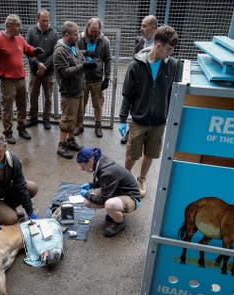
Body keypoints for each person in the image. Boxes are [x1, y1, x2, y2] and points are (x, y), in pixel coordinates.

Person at [119, 25, 182, 198]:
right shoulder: (136, 65)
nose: (170, 53)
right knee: (133, 153)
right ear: (158, 45)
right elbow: (127, 94)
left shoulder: (173, 66)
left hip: (159, 121)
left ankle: (142, 178)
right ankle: (125, 178)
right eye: (168, 49)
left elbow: (173, 93)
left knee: (151, 152)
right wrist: (123, 119)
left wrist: (169, 114)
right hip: (139, 119)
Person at [0, 14, 44, 145]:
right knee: (7, 107)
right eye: (17, 26)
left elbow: (27, 49)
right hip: (8, 80)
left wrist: (35, 51)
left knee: (22, 105)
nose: (20, 28)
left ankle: (21, 127)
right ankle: (8, 132)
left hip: (21, 78)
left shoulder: (19, 38)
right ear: (9, 26)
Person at [53, 21, 96, 159]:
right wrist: (83, 66)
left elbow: (77, 55)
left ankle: (71, 141)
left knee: (75, 118)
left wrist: (85, 56)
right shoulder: (59, 51)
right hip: (69, 92)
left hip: (78, 89)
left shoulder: (73, 45)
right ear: (66, 35)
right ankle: (61, 145)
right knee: (67, 119)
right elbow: (64, 72)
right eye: (76, 34)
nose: (78, 36)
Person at [76, 147, 141, 237]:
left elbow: (102, 199)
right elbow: (106, 181)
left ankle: (120, 223)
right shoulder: (99, 160)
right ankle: (116, 212)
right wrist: (91, 185)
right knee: (88, 202)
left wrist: (87, 194)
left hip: (131, 197)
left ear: (90, 160)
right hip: (117, 190)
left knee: (109, 205)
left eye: (83, 166)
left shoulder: (107, 171)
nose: (82, 169)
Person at [121, 15, 158, 145]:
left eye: (144, 26)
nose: (141, 28)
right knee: (134, 106)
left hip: (152, 84)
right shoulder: (139, 41)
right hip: (138, 82)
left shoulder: (160, 44)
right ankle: (130, 132)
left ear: (153, 28)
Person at [74, 18, 112, 138]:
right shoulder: (80, 39)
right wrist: (86, 53)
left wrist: (107, 77)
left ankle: (98, 126)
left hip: (97, 79)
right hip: (82, 78)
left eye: (97, 31)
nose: (94, 34)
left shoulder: (104, 41)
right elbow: (74, 53)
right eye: (92, 31)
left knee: (98, 104)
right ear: (87, 28)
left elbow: (108, 59)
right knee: (81, 104)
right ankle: (79, 125)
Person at [26, 8, 58, 130]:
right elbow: (27, 50)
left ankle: (46, 119)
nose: (45, 23)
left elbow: (55, 53)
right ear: (37, 19)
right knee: (33, 95)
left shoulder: (53, 33)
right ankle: (33, 118)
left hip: (48, 72)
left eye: (47, 20)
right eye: (42, 20)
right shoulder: (31, 32)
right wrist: (37, 63)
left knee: (48, 97)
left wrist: (44, 67)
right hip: (35, 71)